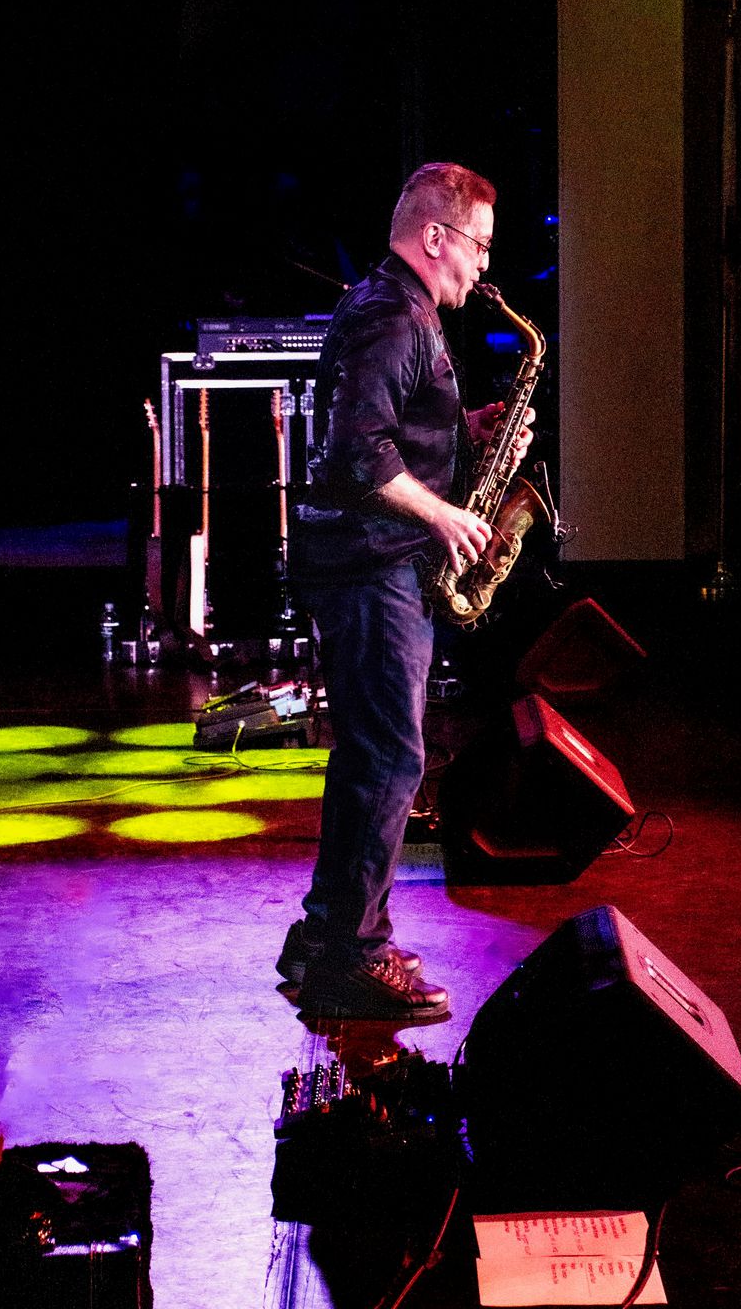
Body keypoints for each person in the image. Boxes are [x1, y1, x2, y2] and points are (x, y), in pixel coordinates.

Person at [276, 161, 533, 1021]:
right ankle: (352, 958)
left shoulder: (396, 308)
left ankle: (323, 936)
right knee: (390, 757)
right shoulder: (392, 315)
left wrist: (465, 429)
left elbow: (391, 426)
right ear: (434, 236)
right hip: (369, 564)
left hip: (369, 560)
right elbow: (357, 451)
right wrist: (443, 516)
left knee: (370, 754)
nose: (484, 266)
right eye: (477, 245)